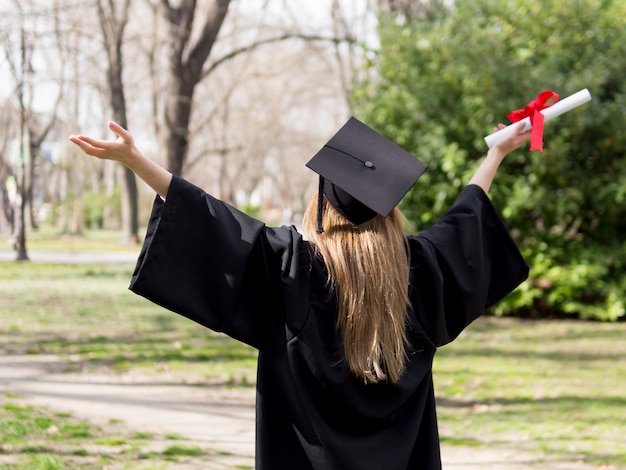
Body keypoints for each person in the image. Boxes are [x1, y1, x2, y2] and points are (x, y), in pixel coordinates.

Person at [69, 116, 531, 470]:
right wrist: (495, 156)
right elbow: (465, 222)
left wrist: (135, 160)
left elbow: (213, 219)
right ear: (389, 210)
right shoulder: (419, 270)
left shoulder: (289, 268)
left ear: (323, 201)